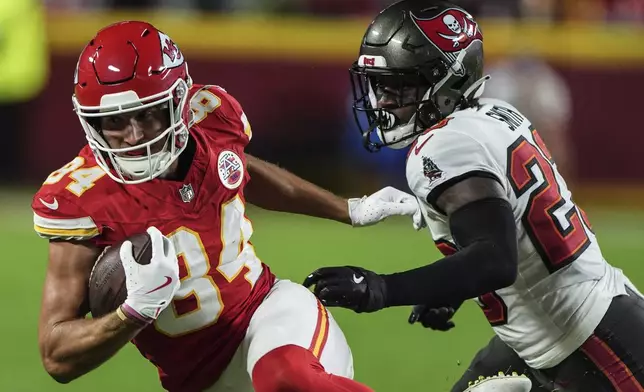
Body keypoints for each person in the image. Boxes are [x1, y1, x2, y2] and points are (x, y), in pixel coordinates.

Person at [31, 21, 422, 392]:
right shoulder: (77, 198)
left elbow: (239, 170)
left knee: (286, 377)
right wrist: (131, 313)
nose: (134, 137)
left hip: (269, 318)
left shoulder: (211, 120)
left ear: (180, 101)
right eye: (115, 121)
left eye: (148, 115)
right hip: (197, 381)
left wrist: (347, 208)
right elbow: (57, 355)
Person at [303, 1, 644, 391]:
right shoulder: (496, 113)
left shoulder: (442, 146)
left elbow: (495, 258)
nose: (382, 101)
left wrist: (382, 288)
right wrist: (454, 287)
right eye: (380, 85)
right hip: (564, 326)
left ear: (446, 82)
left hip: (592, 343)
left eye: (400, 85)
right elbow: (512, 229)